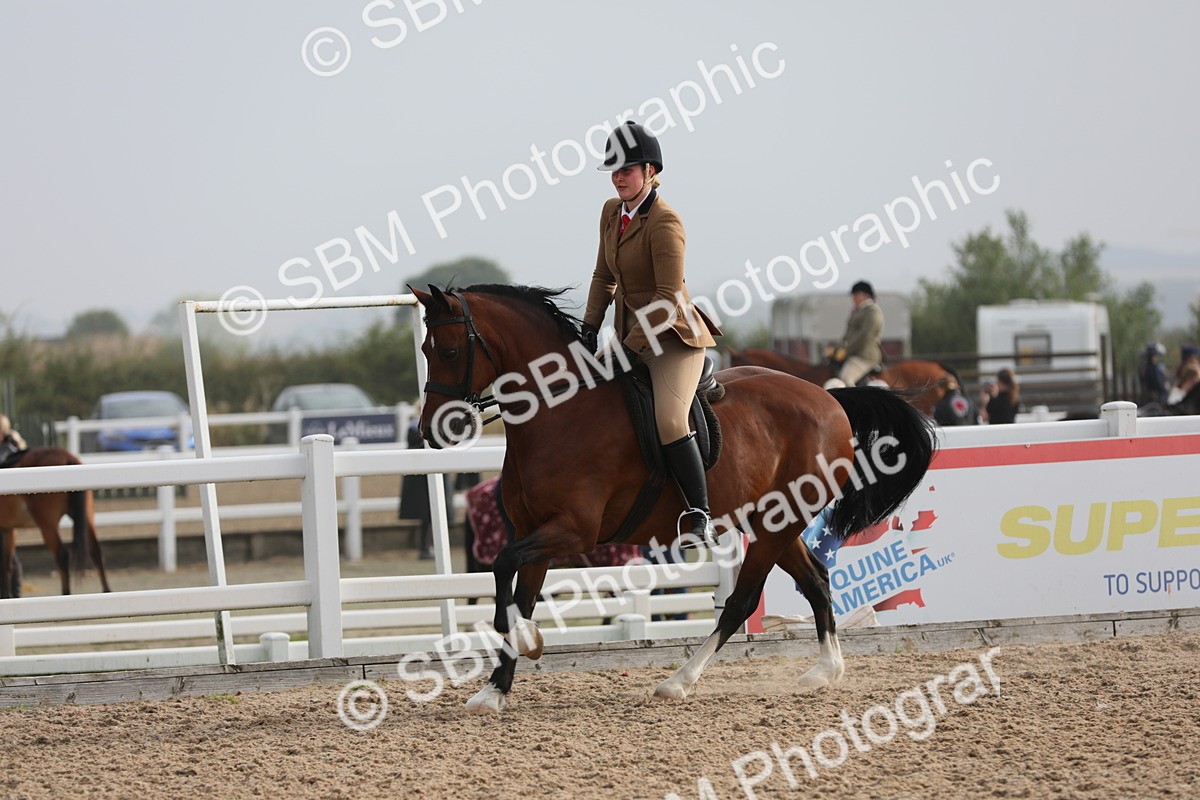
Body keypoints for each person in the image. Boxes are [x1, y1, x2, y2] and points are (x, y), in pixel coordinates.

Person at [583, 120, 722, 547]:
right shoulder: (610, 212)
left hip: (672, 337)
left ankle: (699, 511)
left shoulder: (665, 223)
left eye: (627, 170)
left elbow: (665, 299)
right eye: (614, 170)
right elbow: (604, 275)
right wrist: (588, 330)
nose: (618, 177)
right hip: (629, 335)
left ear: (650, 171)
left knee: (668, 420)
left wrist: (628, 349)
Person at [823, 280, 884, 389]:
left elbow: (865, 336)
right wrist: (838, 348)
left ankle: (856, 405)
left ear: (863, 295)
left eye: (855, 295)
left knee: (846, 378)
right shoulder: (858, 311)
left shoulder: (872, 311)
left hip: (865, 355)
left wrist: (846, 350)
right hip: (854, 353)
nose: (853, 298)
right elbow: (848, 334)